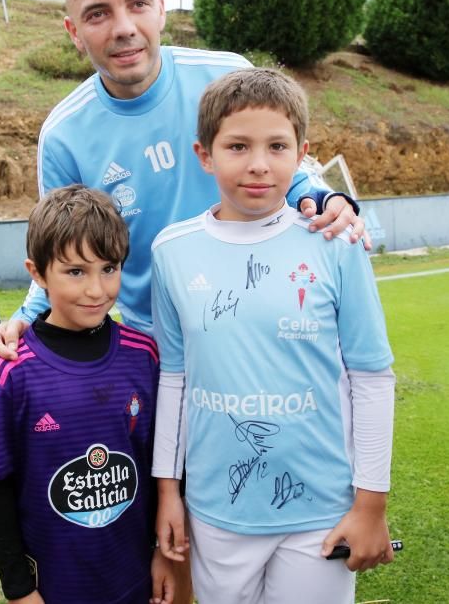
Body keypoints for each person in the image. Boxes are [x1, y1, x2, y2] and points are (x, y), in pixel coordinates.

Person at [0, 0, 368, 602]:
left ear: (161, 7)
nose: (123, 26)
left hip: (261, 346)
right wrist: (19, 320)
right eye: (97, 13)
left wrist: (323, 196)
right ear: (73, 32)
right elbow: (64, 250)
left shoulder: (221, 73)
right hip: (164, 369)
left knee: (284, 506)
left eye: (136, 3)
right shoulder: (65, 134)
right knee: (179, 538)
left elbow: (282, 161)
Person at [150, 67, 396, 604]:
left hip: (322, 509)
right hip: (218, 511)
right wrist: (168, 492)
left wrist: (371, 503)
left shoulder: (335, 243)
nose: (259, 164)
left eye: (277, 146)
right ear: (205, 154)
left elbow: (372, 377)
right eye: (238, 145)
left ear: (302, 153)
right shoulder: (172, 250)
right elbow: (174, 378)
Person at [0, 184, 174, 604]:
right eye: (75, 272)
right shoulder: (12, 372)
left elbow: (162, 466)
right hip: (57, 585)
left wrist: (163, 553)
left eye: (109, 268)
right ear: (37, 272)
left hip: (133, 574)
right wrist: (19, 588)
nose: (96, 289)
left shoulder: (143, 356)